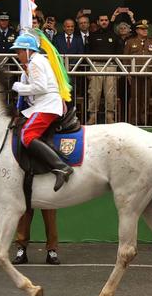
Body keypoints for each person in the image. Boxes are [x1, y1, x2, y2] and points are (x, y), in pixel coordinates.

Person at [10, 33, 73, 190]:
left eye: (18, 52)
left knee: (27, 135)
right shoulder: (37, 61)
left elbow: (40, 87)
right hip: (45, 104)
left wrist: (19, 87)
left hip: (47, 105)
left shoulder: (35, 63)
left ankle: (62, 167)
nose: (17, 56)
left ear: (27, 50)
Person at [85, 13, 121, 124]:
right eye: (102, 20)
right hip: (96, 66)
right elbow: (87, 53)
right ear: (98, 22)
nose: (104, 22)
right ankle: (92, 116)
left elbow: (119, 53)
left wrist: (118, 70)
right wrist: (88, 70)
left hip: (111, 66)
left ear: (108, 21)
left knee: (111, 93)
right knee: (94, 92)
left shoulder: (115, 36)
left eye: (106, 20)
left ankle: (110, 116)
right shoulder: (92, 36)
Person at [123, 19, 152, 124]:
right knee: (135, 98)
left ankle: (144, 120)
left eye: (146, 29)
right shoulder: (130, 42)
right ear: (137, 30)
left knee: (146, 99)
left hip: (148, 75)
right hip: (134, 75)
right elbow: (125, 59)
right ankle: (134, 120)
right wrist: (128, 74)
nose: (145, 31)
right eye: (142, 29)